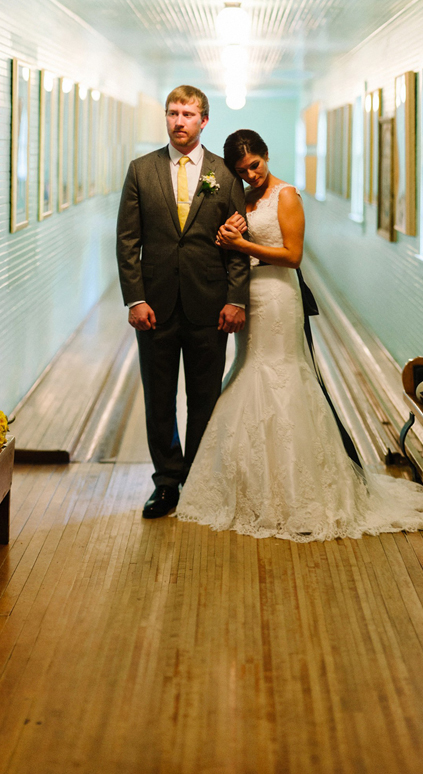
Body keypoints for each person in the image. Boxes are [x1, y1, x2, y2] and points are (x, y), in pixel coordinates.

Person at [176, 130, 423, 541]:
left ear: (266, 156)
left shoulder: (287, 196)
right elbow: (230, 245)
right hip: (251, 295)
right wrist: (227, 238)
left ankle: (299, 491)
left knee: (280, 374)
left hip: (280, 295)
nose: (251, 174)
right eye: (242, 170)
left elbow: (293, 255)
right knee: (249, 371)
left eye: (255, 165)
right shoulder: (245, 199)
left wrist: (243, 244)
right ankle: (251, 489)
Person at [117, 86, 250, 519]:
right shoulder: (141, 170)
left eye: (188, 114)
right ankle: (167, 483)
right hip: (154, 307)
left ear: (204, 121)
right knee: (159, 398)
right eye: (173, 113)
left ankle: (198, 478)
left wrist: (235, 300)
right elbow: (127, 241)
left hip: (209, 305)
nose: (179, 121)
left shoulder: (224, 175)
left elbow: (238, 245)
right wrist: (135, 298)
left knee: (204, 397)